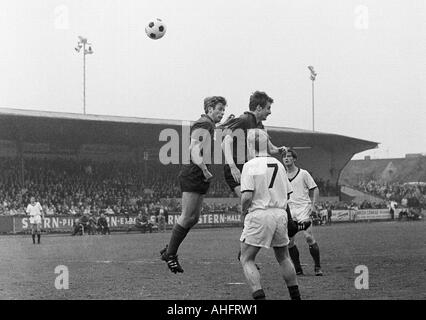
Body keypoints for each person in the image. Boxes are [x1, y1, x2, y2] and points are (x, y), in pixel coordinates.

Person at [221, 91, 310, 261]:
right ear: (259, 107)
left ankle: (289, 226)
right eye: (268, 108)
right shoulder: (245, 120)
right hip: (238, 169)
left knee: (276, 195)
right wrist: (232, 166)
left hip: (254, 169)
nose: (270, 112)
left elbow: (270, 148)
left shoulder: (260, 126)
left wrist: (279, 150)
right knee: (250, 204)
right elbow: (226, 141)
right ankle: (246, 246)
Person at [160, 96, 227, 273]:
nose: (221, 113)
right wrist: (204, 169)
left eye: (223, 110)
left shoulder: (208, 124)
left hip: (198, 175)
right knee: (187, 216)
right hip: (194, 173)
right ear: (210, 108)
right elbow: (193, 148)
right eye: (219, 109)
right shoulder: (203, 123)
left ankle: (170, 250)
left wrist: (224, 124)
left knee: (194, 218)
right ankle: (170, 254)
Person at [239, 129, 301, 300]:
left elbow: (246, 196)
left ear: (250, 145)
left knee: (246, 258)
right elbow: (288, 194)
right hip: (280, 213)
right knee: (283, 257)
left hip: (260, 213)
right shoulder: (280, 165)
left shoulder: (250, 165)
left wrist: (242, 211)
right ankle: (296, 297)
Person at [283, 149, 323, 276]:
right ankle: (298, 268)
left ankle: (317, 267)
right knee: (289, 242)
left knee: (309, 237)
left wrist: (314, 205)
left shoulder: (303, 173)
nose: (286, 159)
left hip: (303, 208)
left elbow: (315, 189)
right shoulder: (281, 175)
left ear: (294, 159)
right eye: (284, 157)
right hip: (289, 210)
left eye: (289, 156)